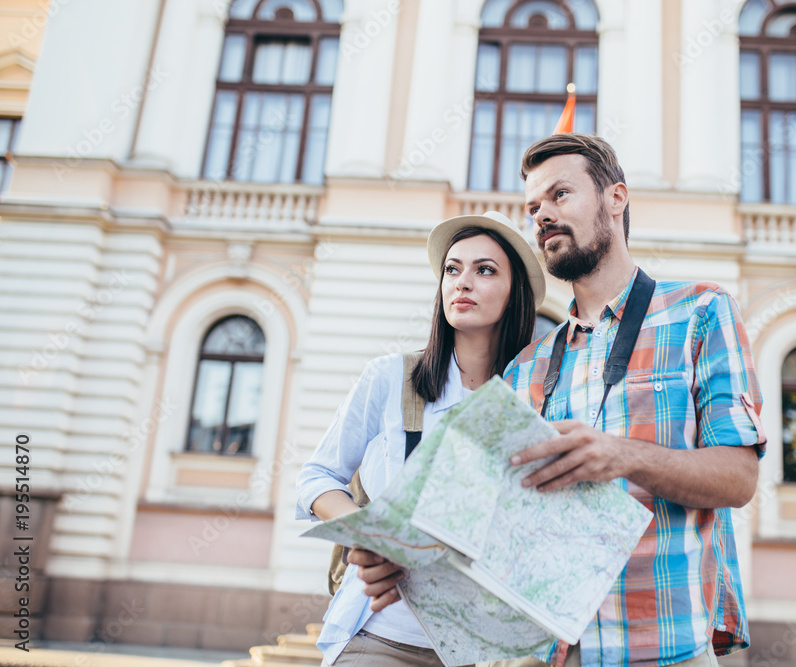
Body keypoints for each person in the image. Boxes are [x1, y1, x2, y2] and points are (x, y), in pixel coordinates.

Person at [498, 134, 767, 667]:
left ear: (615, 198)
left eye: (560, 195)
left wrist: (623, 456)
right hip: (549, 651)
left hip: (664, 648)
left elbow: (739, 479)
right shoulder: (524, 367)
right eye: (533, 207)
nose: (542, 216)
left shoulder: (702, 312)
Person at [296, 211, 546, 667]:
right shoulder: (390, 377)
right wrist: (369, 535)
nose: (462, 282)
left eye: (484, 270)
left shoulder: (531, 400)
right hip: (379, 638)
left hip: (484, 651)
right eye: (453, 269)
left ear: (515, 295)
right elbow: (317, 477)